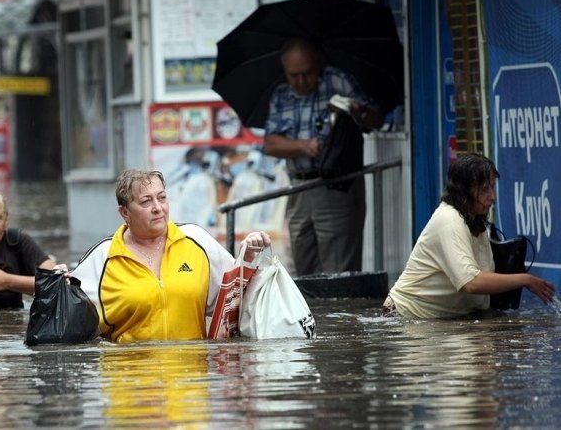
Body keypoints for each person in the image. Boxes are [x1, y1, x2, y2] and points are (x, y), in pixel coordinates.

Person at [69, 169, 271, 343]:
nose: (158, 208)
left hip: (190, 379)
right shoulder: (102, 257)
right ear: (125, 212)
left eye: (162, 197)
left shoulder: (196, 240)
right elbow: (71, 325)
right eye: (146, 201)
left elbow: (237, 302)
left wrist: (249, 256)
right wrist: (58, 283)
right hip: (129, 378)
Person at [262, 39, 383, 276]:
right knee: (304, 264)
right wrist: (304, 146)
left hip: (335, 186)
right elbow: (270, 144)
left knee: (338, 267)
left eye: (306, 73)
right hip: (298, 187)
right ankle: (314, 312)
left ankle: (340, 312)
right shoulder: (282, 95)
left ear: (317, 64)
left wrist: (355, 110)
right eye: (293, 75)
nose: (300, 81)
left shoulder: (337, 81)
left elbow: (375, 120)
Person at [384, 153, 555, 319]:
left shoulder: (474, 220)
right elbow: (471, 282)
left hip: (449, 317)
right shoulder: (449, 219)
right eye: (484, 189)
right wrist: (525, 279)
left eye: (492, 187)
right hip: (406, 316)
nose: (492, 197)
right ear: (464, 190)